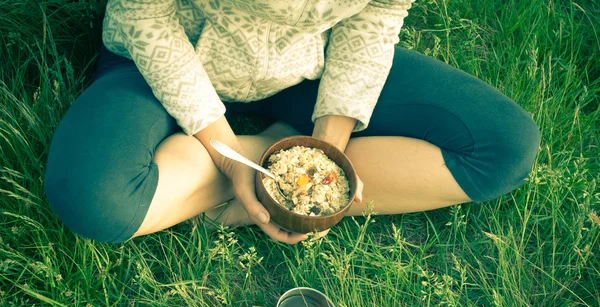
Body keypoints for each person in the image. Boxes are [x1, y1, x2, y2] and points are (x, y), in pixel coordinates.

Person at [44, 0, 540, 244]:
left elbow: (376, 15)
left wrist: (327, 146)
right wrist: (222, 149)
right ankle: (249, 166)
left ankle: (266, 156)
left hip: (305, 69)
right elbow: (142, 15)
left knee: (503, 146)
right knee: (94, 201)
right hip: (168, 58)